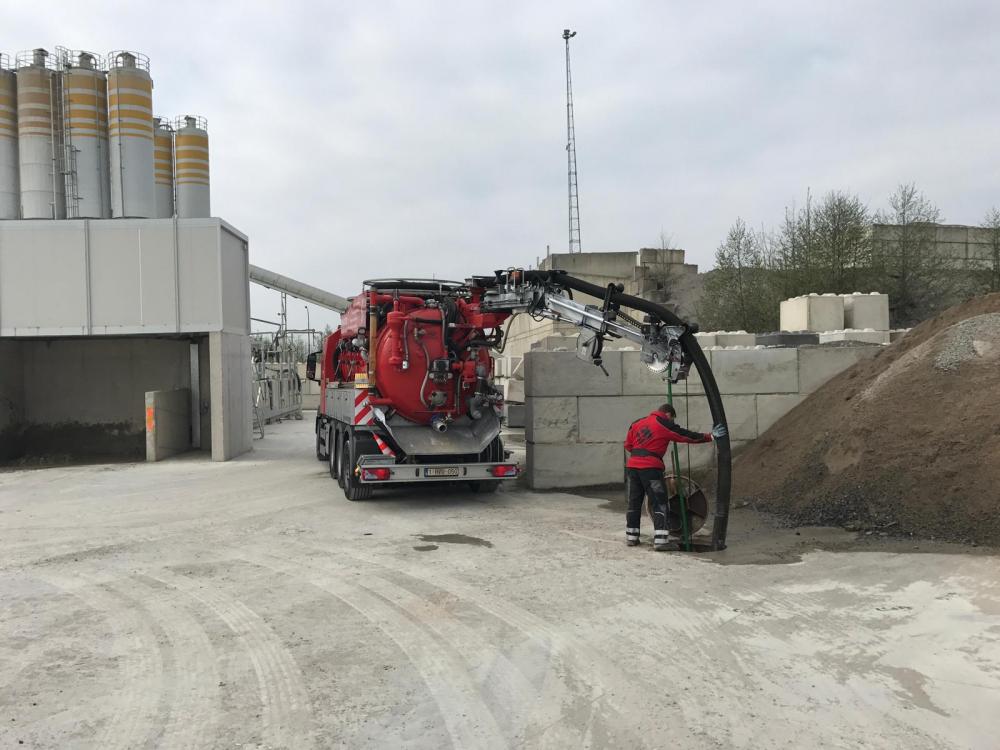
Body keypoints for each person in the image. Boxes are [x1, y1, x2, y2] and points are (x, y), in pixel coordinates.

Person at [624, 403, 727, 551]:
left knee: (634, 502)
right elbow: (685, 435)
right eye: (672, 419)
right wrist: (710, 436)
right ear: (668, 415)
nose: (672, 422)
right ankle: (660, 541)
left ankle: (631, 537)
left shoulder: (637, 423)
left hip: (633, 467)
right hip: (650, 468)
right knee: (659, 502)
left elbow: (628, 445)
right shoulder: (663, 423)